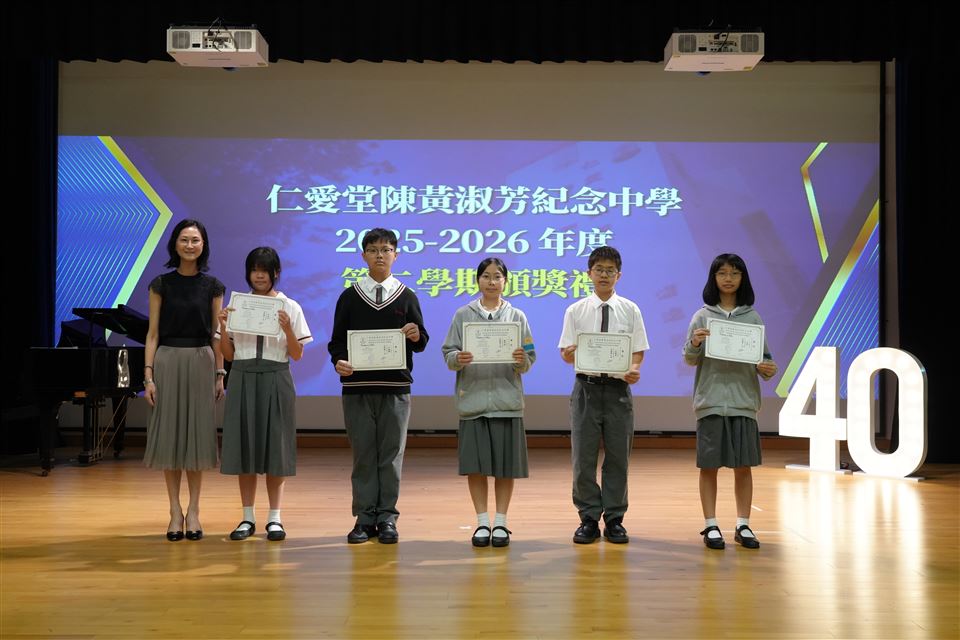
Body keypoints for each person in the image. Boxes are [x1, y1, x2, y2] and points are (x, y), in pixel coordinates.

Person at [327, 228, 428, 544]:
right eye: (373, 250)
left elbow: (421, 340)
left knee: (391, 455)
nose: (380, 255)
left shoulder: (407, 296)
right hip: (357, 388)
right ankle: (364, 517)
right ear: (363, 256)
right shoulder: (350, 296)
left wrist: (416, 335)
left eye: (386, 249)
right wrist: (339, 361)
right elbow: (336, 342)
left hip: (395, 388)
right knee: (363, 455)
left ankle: (387, 518)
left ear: (396, 255)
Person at [683, 253, 778, 550]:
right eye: (722, 273)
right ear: (713, 278)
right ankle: (711, 524)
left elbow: (765, 361)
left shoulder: (753, 318)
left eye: (734, 273)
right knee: (708, 466)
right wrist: (695, 342)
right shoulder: (701, 316)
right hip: (710, 401)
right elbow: (689, 358)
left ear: (742, 279)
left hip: (743, 402)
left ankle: (743, 524)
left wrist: (767, 368)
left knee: (743, 467)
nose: (728, 278)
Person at [218, 247, 312, 542]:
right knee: (244, 446)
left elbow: (297, 354)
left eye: (264, 270)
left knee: (276, 448)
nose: (259, 275)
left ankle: (275, 518)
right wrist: (222, 325)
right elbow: (228, 354)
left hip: (276, 376)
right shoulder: (237, 306)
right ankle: (247, 517)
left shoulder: (290, 306)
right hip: (242, 376)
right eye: (254, 270)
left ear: (275, 273)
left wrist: (287, 329)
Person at [441, 258, 536, 548]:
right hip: (474, 401)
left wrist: (521, 360)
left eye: (497, 276)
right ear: (478, 280)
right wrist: (458, 358)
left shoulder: (517, 316)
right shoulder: (463, 315)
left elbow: (530, 356)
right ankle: (482, 522)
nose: (491, 281)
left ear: (505, 281)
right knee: (476, 467)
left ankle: (501, 523)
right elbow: (448, 353)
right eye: (486, 276)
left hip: (507, 402)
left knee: (506, 467)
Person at [558, 246, 649, 544]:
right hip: (585, 388)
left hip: (618, 390)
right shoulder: (575, 310)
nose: (604, 275)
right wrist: (569, 354)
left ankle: (614, 519)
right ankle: (588, 518)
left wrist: (634, 369)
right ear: (589, 273)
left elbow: (638, 351)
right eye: (599, 269)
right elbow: (565, 353)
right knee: (583, 458)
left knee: (618, 457)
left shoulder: (631, 310)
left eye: (610, 270)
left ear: (618, 275)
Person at [143, 219, 225, 541]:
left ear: (203, 245)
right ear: (174, 244)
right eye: (184, 239)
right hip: (167, 360)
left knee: (196, 438)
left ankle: (194, 510)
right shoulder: (160, 284)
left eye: (195, 240)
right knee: (170, 438)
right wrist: (148, 376)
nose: (190, 245)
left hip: (202, 361)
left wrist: (220, 373)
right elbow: (152, 334)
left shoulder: (213, 286)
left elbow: (217, 335)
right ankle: (174, 511)